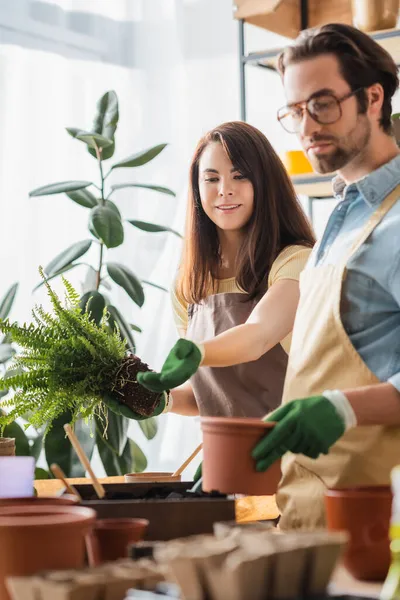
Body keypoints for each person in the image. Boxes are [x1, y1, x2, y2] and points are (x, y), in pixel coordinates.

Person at [246, 22, 400, 529]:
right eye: (295, 110)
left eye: (323, 104)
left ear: (372, 99)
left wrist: (345, 409)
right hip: (307, 515)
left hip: (381, 524)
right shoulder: (337, 217)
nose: (308, 125)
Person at [138, 121, 315, 419]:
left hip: (296, 456)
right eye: (211, 179)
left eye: (239, 176)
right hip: (228, 454)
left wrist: (199, 354)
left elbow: (257, 336)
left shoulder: (296, 262)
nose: (225, 191)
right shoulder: (189, 284)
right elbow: (210, 394)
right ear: (196, 187)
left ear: (265, 183)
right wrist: (160, 401)